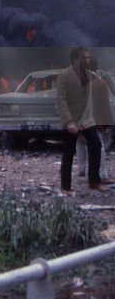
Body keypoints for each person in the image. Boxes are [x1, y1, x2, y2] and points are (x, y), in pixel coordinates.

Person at [56, 48, 106, 194]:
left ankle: (94, 181)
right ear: (75, 60)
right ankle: (65, 187)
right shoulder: (64, 76)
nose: (87, 61)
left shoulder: (88, 75)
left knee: (96, 145)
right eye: (84, 58)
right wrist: (69, 121)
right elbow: (61, 101)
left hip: (86, 120)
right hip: (71, 120)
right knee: (68, 153)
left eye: (88, 58)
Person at [77, 58, 113, 183]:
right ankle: (102, 175)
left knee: (81, 143)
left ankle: (81, 170)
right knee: (100, 147)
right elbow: (103, 105)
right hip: (92, 120)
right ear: (96, 68)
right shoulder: (99, 83)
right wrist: (106, 123)